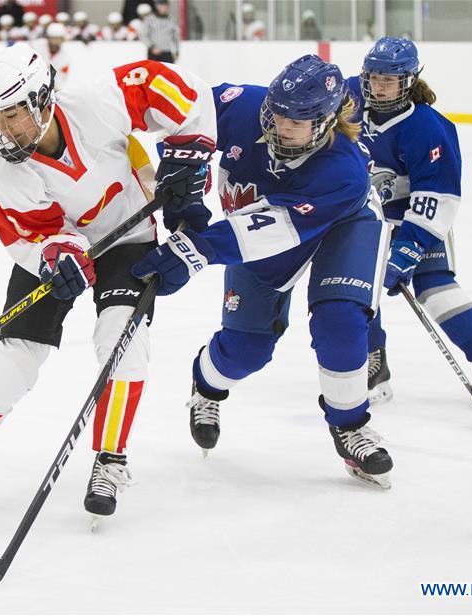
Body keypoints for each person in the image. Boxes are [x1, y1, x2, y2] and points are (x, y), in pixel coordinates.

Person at [0, 43, 217, 522]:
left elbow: (187, 94)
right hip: (59, 255)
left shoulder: (100, 103)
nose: (4, 130)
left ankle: (109, 460)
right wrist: (54, 254)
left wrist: (188, 157)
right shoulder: (9, 174)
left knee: (122, 339)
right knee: (16, 355)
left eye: (13, 114)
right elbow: (28, 235)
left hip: (130, 239)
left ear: (41, 99)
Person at [132, 55, 395, 489]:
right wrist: (182, 173)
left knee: (341, 321)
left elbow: (273, 228)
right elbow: (184, 113)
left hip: (343, 225)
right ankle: (207, 388)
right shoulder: (244, 106)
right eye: (276, 114)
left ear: (328, 122)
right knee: (245, 349)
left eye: (296, 121)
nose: (279, 127)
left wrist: (193, 250)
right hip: (263, 231)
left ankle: (349, 427)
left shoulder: (343, 171)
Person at [345, 37, 472, 407]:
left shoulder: (427, 128)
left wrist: (407, 248)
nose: (379, 86)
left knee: (434, 287)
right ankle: (374, 361)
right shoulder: (352, 99)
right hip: (365, 219)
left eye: (389, 80)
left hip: (414, 217)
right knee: (356, 288)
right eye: (373, 78)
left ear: (408, 81)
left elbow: (437, 197)